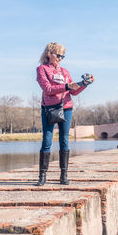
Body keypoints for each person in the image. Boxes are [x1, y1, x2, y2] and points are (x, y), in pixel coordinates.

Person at [36, 42, 94, 186]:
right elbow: (48, 89)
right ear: (49, 53)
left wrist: (84, 84)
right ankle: (42, 177)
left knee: (64, 141)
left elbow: (72, 91)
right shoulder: (41, 69)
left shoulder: (64, 71)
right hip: (49, 108)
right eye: (58, 55)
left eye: (63, 56)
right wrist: (67, 86)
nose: (60, 58)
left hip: (66, 107)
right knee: (47, 140)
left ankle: (64, 176)